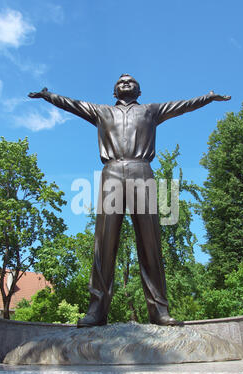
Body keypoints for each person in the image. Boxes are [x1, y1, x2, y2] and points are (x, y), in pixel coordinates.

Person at [29, 74, 230, 327]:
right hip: (111, 172)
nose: (126, 82)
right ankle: (96, 311)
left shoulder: (151, 111)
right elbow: (73, 104)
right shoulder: (101, 111)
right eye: (121, 81)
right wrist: (49, 96)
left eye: (131, 81)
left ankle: (159, 310)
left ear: (139, 90)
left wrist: (208, 98)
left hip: (141, 170)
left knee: (150, 243)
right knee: (105, 243)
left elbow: (183, 105)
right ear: (114, 92)